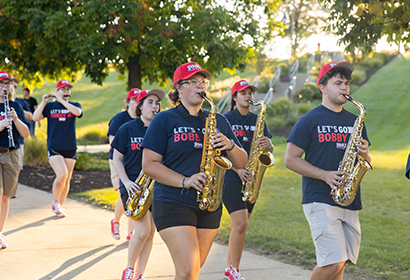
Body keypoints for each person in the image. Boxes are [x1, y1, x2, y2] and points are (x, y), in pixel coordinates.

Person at [141, 62, 248, 280]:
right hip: (173, 200)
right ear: (179, 88)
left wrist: (229, 145)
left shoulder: (218, 119)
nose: (201, 86)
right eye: (193, 82)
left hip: (209, 204)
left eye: (203, 81)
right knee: (189, 270)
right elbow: (149, 164)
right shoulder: (164, 119)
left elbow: (242, 161)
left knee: (192, 273)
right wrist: (185, 181)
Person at [284, 62, 372, 280]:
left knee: (341, 264)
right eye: (338, 83)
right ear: (322, 87)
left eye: (347, 84)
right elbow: (290, 160)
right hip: (320, 198)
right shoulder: (308, 120)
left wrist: (365, 154)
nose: (344, 88)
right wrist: (325, 175)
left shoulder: (356, 121)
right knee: (333, 263)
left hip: (349, 199)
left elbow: (365, 161)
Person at [222, 80, 274, 280]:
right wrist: (236, 169)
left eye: (250, 92)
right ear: (234, 97)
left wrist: (268, 144)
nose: (249, 96)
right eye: (243, 93)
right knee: (240, 223)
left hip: (251, 177)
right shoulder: (224, 119)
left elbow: (268, 149)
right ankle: (234, 270)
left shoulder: (258, 118)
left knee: (241, 226)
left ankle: (229, 268)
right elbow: (217, 151)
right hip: (230, 176)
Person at [112, 89, 165, 280]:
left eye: (157, 103)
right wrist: (125, 182)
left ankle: (140, 274)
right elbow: (117, 159)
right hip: (132, 187)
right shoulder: (127, 129)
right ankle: (129, 269)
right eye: (150, 102)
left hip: (155, 187)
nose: (155, 106)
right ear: (140, 106)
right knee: (142, 232)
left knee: (150, 233)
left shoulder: (161, 130)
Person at [33, 80, 83, 218]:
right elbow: (35, 117)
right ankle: (55, 202)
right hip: (55, 146)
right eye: (63, 89)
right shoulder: (49, 107)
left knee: (67, 179)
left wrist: (62, 101)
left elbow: (78, 113)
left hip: (70, 147)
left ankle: (60, 206)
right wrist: (43, 102)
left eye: (68, 89)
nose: (66, 91)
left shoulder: (74, 105)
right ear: (56, 91)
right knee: (62, 174)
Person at [0, 71, 30, 249]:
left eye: (8, 84)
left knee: (6, 197)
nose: (5, 87)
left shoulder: (16, 105)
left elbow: (25, 133)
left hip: (12, 153)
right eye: (2, 83)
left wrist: (16, 120)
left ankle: (0, 233)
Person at [108, 88, 141, 241]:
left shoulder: (144, 120)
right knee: (125, 195)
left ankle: (131, 232)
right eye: (134, 99)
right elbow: (113, 144)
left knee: (137, 195)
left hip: (137, 161)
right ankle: (115, 221)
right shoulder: (120, 119)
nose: (137, 102)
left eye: (139, 99)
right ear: (128, 102)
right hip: (119, 161)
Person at [11, 77, 33, 170]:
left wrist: (18, 111)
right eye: (11, 85)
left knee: (16, 170)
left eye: (15, 87)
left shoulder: (20, 102)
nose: (13, 88)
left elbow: (30, 116)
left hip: (18, 141)